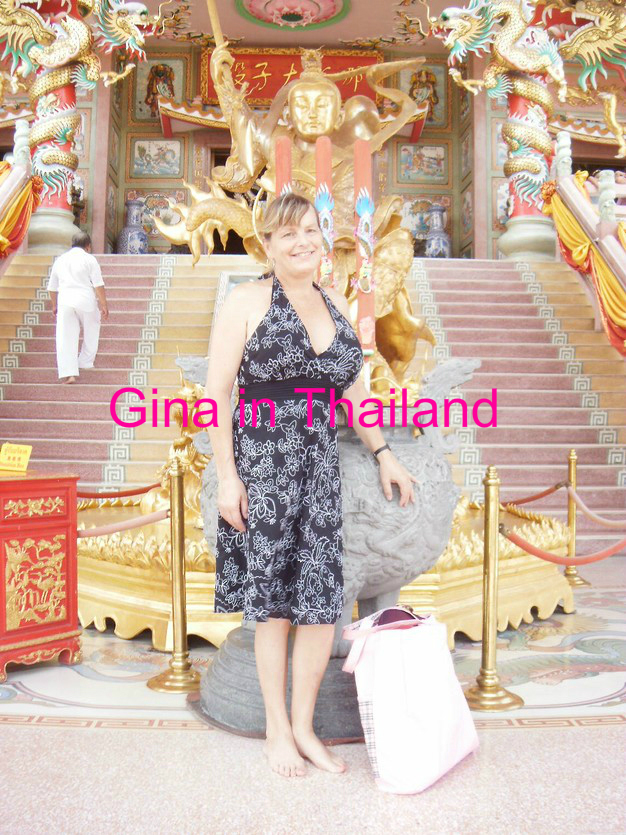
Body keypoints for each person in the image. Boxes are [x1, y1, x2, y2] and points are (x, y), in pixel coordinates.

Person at [205, 193, 417, 779]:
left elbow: (353, 392)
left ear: (322, 239)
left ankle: (304, 728)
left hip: (319, 469)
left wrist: (384, 453)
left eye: (310, 230)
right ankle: (277, 729)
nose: (302, 242)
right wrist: (227, 478)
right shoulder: (246, 301)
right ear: (267, 245)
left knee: (321, 603)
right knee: (273, 606)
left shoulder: (335, 302)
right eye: (287, 234)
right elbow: (216, 395)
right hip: (264, 465)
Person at [47, 232, 109, 384]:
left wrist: (54, 305)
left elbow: (52, 287)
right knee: (92, 328)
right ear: (88, 246)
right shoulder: (89, 259)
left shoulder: (60, 260)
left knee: (65, 337)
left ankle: (69, 373)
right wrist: (104, 304)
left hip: (65, 301)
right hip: (86, 300)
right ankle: (85, 361)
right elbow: (98, 284)